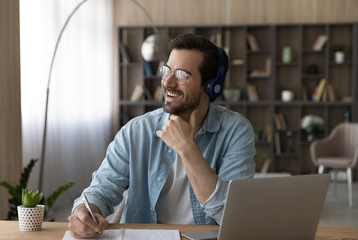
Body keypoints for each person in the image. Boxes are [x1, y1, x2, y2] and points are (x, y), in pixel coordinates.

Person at [68, 33, 256, 238]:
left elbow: (230, 214)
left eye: (182, 74)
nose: (168, 82)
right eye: (167, 70)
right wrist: (85, 212)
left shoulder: (236, 131)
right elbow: (101, 191)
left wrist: (187, 148)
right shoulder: (136, 131)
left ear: (210, 86)